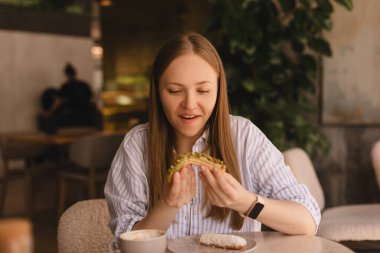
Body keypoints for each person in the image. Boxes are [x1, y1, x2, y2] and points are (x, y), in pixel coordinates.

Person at [104, 32, 320, 240]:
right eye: (174, 90)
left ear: (218, 90)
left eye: (203, 90)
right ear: (157, 91)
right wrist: (167, 205)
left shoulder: (245, 137)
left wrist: (244, 201)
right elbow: (127, 244)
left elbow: (307, 220)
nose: (189, 104)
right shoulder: (137, 144)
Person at [37, 64, 103, 133]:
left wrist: (48, 114)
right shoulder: (84, 85)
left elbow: (58, 103)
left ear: (66, 75)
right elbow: (93, 101)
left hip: (71, 119)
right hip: (87, 118)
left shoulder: (66, 87)